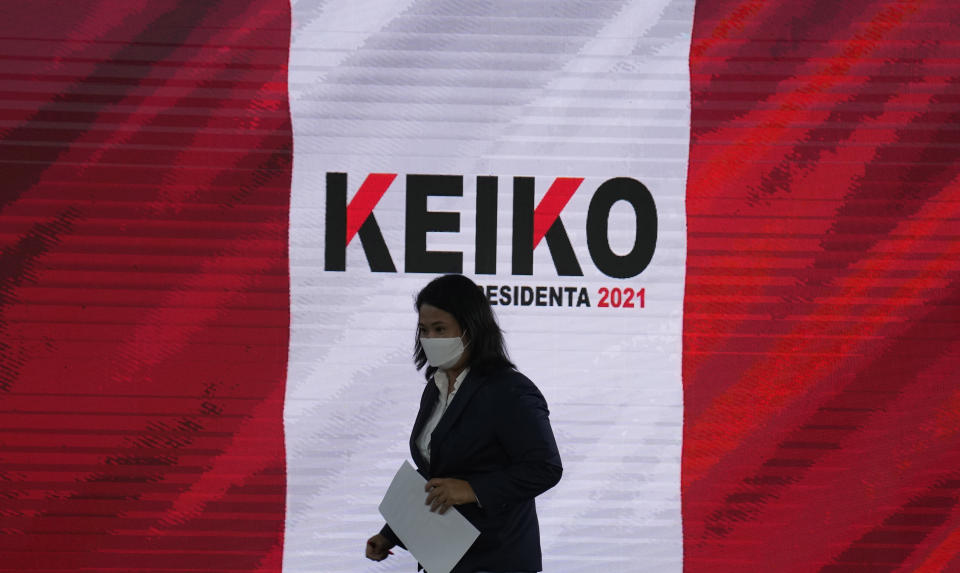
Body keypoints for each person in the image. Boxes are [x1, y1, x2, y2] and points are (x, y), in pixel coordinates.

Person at [365, 274, 563, 573]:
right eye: (424, 330)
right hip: (443, 559)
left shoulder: (509, 390)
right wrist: (391, 534)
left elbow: (545, 468)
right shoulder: (436, 387)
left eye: (440, 329)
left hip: (497, 560)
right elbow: (436, 474)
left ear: (471, 329)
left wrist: (473, 489)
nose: (429, 339)